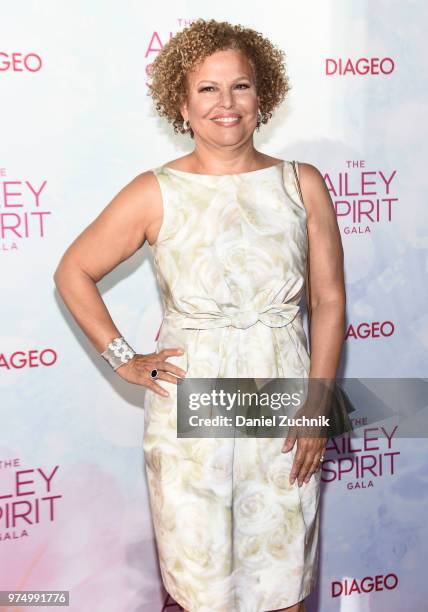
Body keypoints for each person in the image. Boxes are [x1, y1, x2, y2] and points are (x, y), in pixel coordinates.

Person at [53, 18, 345, 612]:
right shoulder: (154, 191)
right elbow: (73, 272)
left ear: (262, 94)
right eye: (207, 89)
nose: (225, 103)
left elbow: (329, 299)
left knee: (281, 578)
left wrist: (318, 401)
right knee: (200, 585)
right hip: (191, 406)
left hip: (282, 400)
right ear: (181, 104)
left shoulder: (301, 184)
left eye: (239, 86)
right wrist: (124, 358)